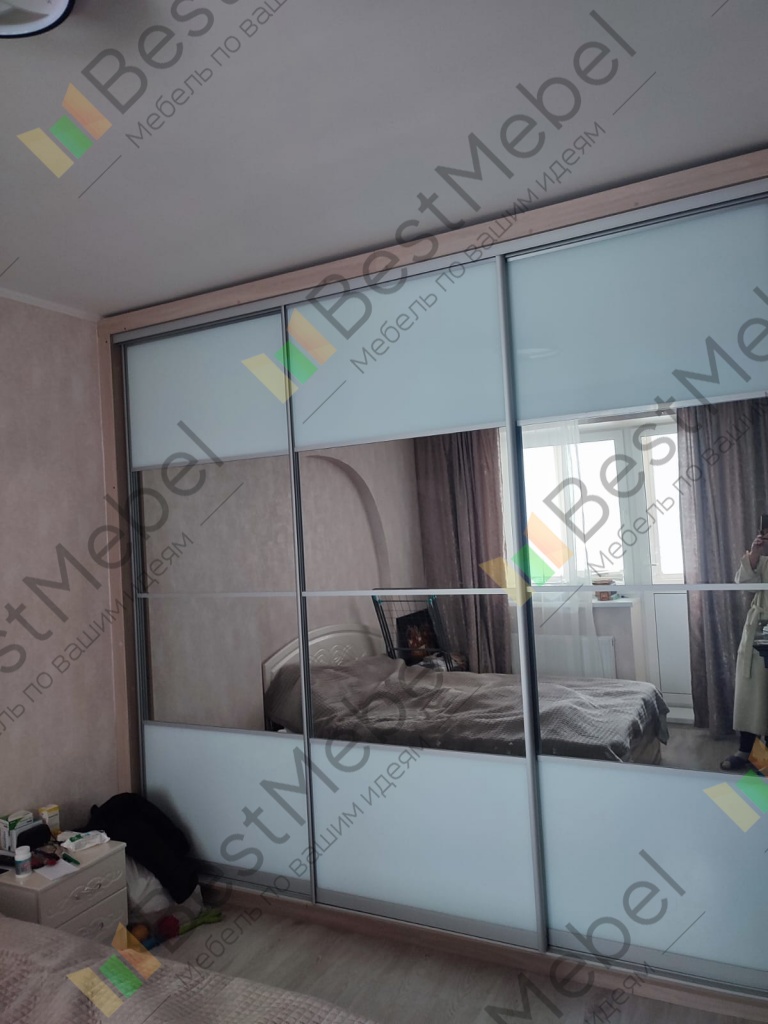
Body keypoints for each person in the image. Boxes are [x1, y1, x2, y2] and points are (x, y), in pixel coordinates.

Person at [720, 529, 768, 770]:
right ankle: (746, 750)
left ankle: (763, 756)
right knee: (752, 693)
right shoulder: (763, 562)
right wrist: (755, 554)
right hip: (760, 630)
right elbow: (743, 583)